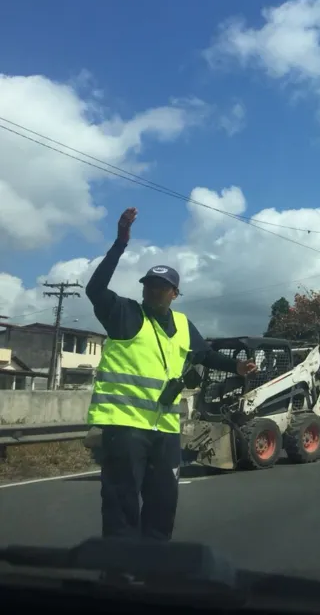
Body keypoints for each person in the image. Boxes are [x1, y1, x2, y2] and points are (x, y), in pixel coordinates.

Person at [86, 207, 257, 541]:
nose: (154, 290)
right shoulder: (125, 313)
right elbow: (95, 289)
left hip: (165, 427)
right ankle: (119, 574)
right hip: (125, 426)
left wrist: (235, 366)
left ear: (175, 293)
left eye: (162, 286)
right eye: (149, 284)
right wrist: (120, 244)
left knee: (163, 502)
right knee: (122, 503)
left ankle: (154, 568)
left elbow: (204, 355)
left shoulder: (182, 324)